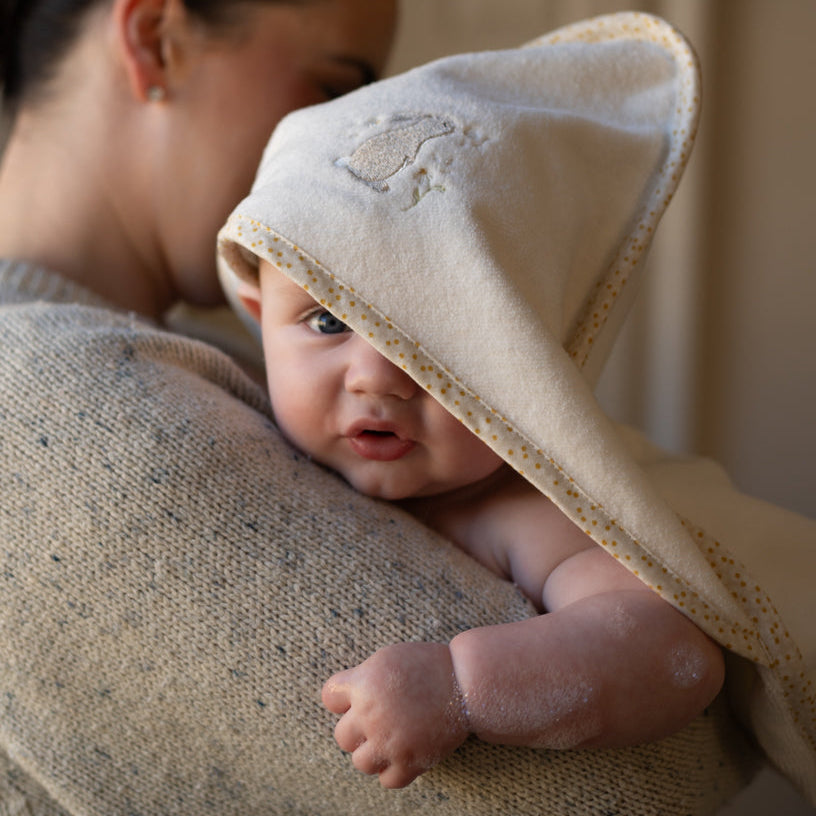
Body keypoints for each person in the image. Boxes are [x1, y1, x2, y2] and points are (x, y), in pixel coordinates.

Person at [218, 10, 816, 806]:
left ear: (530, 370)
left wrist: (462, 688)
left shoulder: (522, 510)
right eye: (326, 320)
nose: (377, 377)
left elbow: (669, 656)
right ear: (261, 318)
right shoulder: (227, 413)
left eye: (437, 340)